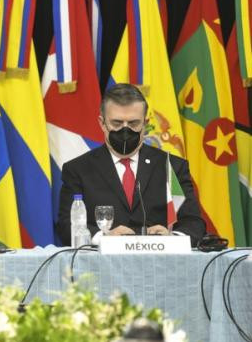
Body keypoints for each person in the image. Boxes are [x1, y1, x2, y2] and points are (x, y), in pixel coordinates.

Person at [57, 83, 205, 245]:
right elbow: (66, 225)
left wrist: (172, 239)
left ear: (145, 123)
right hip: (101, 264)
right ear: (102, 123)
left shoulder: (172, 167)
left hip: (160, 262)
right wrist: (104, 238)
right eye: (117, 123)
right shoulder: (78, 169)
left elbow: (194, 223)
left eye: (133, 124)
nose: (125, 131)